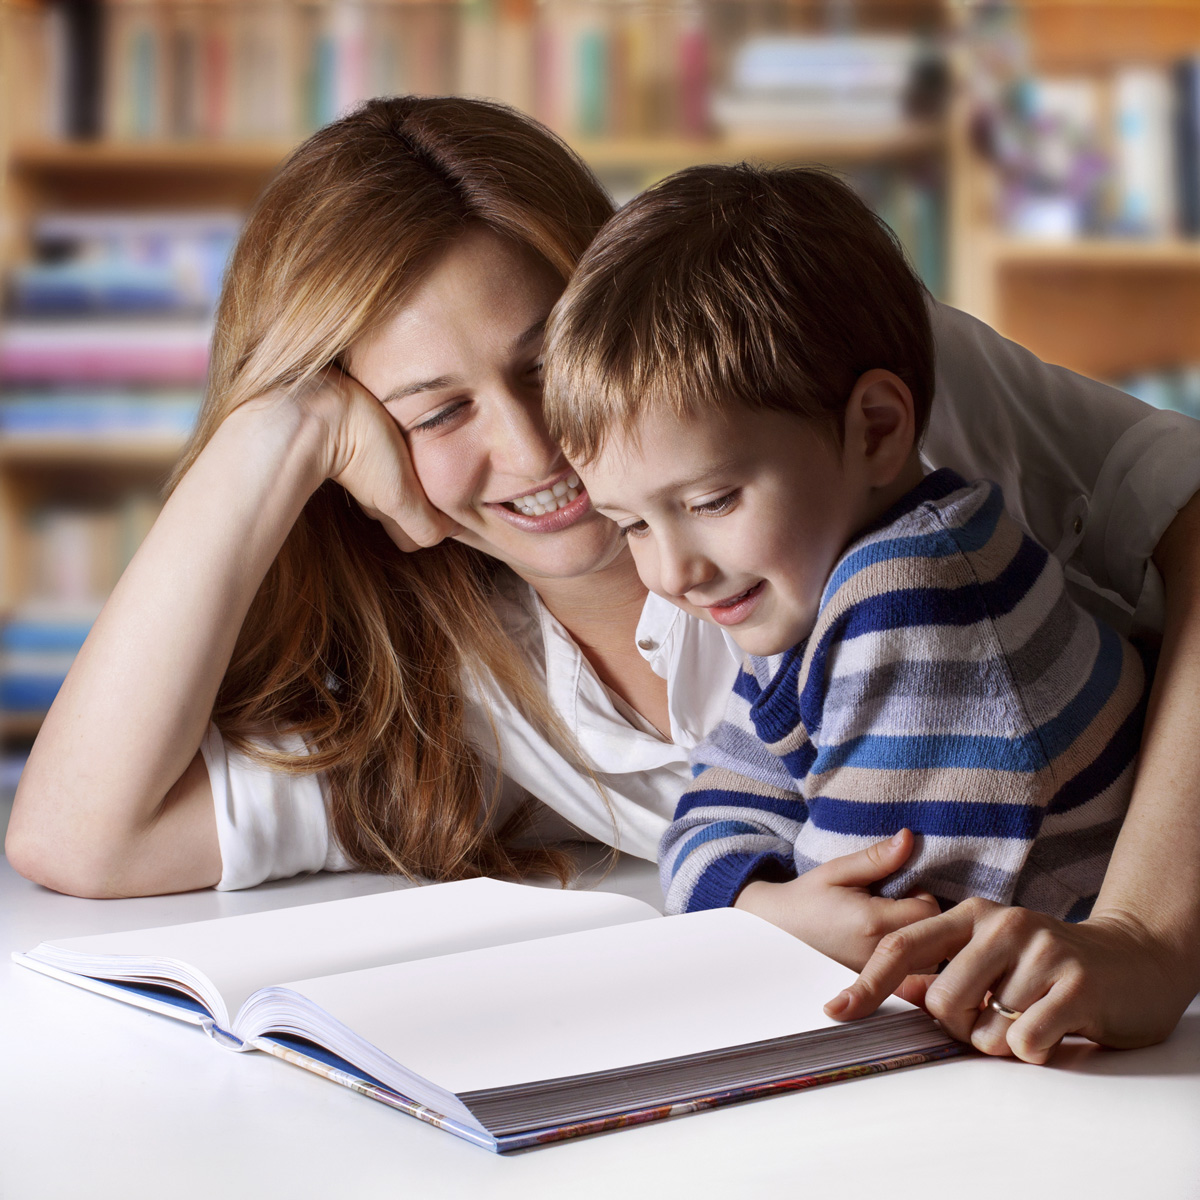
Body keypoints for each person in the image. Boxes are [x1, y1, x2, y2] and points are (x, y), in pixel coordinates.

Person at [6, 96, 1200, 1064]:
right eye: (436, 411)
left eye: (544, 361)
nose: (535, 452)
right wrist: (276, 433)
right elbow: (80, 839)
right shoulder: (455, 686)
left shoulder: (815, 380)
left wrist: (1147, 933)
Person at [542, 162, 1147, 979]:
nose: (672, 572)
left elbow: (881, 941)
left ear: (876, 429)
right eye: (631, 526)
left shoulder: (920, 594)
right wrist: (763, 905)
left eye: (713, 500)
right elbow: (708, 816)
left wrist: (760, 919)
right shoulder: (802, 592)